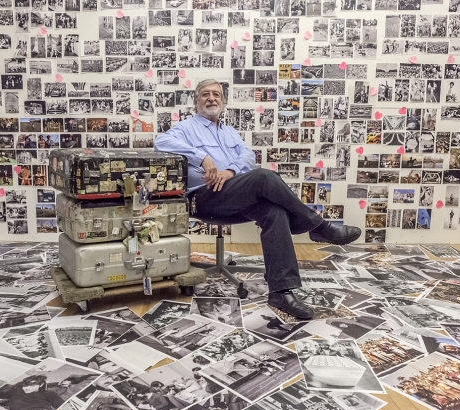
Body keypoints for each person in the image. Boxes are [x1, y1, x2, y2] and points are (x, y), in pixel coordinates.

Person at [154, 80, 360, 320]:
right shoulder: (186, 127)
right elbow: (161, 142)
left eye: (216, 95)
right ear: (196, 101)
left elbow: (248, 156)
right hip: (203, 198)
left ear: (223, 101)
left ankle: (281, 291)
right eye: (205, 95)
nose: (211, 99)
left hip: (231, 194)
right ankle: (319, 227)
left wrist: (230, 171)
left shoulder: (229, 131)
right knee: (264, 177)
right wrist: (202, 158)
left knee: (274, 211)